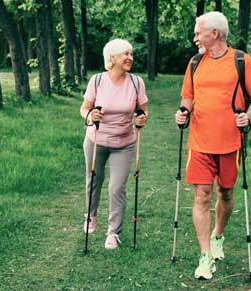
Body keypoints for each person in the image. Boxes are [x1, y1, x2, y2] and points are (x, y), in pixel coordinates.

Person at [175, 12, 251, 280]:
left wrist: (247, 116)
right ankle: (205, 256)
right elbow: (187, 97)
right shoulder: (195, 63)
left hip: (230, 143)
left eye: (197, 32)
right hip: (200, 142)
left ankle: (217, 236)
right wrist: (182, 112)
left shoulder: (241, 61)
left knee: (225, 193)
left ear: (214, 33)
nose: (194, 38)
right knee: (201, 195)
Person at [80, 38, 148, 250]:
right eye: (126, 54)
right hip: (97, 139)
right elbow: (84, 108)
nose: (130, 58)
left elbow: (143, 110)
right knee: (94, 180)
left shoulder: (136, 82)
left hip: (125, 142)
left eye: (131, 54)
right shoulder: (98, 80)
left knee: (117, 187)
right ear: (112, 58)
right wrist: (90, 116)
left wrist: (142, 118)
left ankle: (113, 233)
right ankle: (91, 215)